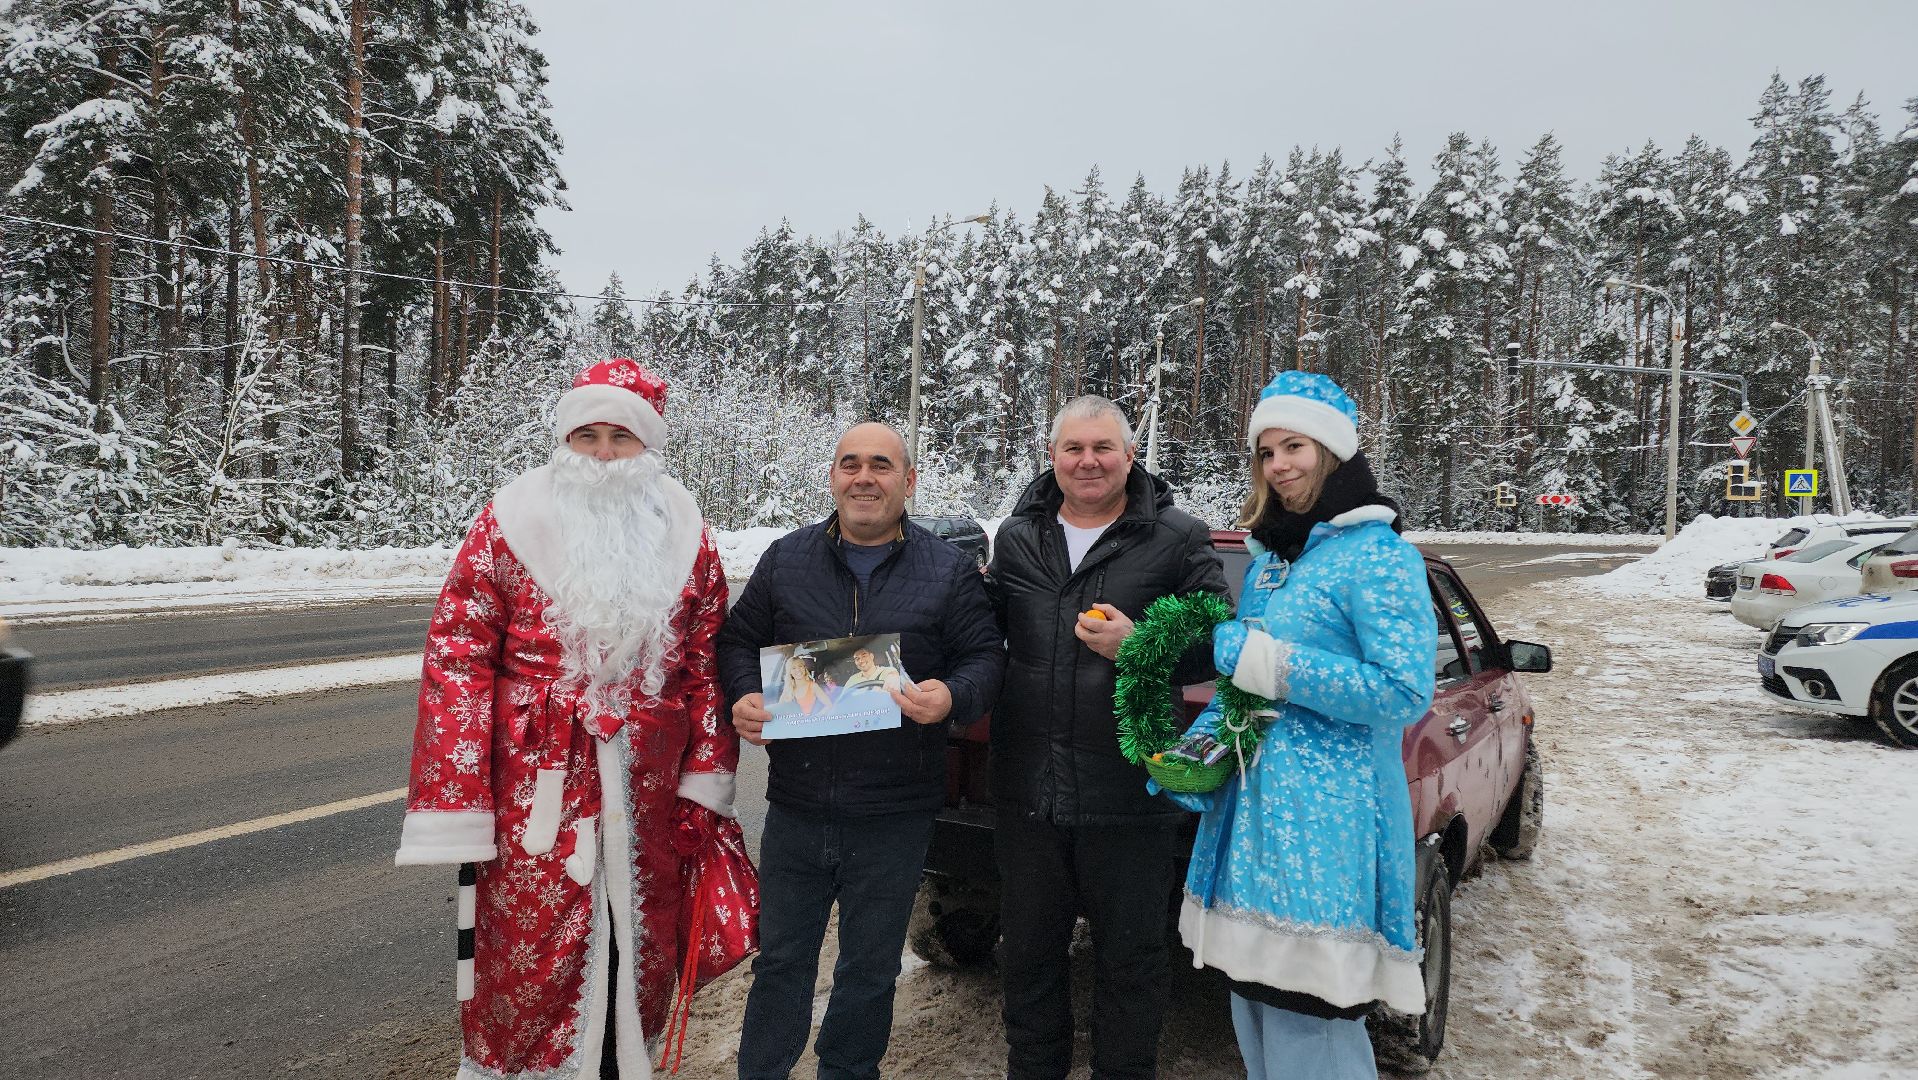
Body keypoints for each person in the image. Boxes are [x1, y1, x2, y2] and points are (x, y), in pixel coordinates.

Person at [396, 358, 740, 1079]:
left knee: (637, 953)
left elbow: (707, 664)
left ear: (649, 447)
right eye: (589, 435)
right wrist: (460, 802)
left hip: (647, 794)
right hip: (534, 795)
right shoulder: (507, 524)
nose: (606, 454)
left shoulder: (687, 534)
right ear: (565, 440)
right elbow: (458, 656)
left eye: (622, 436)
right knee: (530, 965)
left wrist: (705, 779)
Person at [1170, 371, 1437, 1080]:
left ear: (1334, 451)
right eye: (1266, 451)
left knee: (1310, 1036)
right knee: (1256, 1021)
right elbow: (1249, 695)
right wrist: (1200, 755)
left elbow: (1404, 691)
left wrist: (1268, 661)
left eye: (1295, 446)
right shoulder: (1270, 564)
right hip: (1251, 833)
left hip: (1325, 841)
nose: (1279, 464)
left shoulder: (1381, 556)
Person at [718, 422, 1005, 1080]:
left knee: (868, 973)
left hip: (895, 816)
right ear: (833, 477)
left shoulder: (947, 570)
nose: (864, 477)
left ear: (908, 481)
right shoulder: (786, 559)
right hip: (797, 810)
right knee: (781, 965)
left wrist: (952, 697)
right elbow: (737, 642)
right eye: (851, 464)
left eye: (881, 464)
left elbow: (986, 658)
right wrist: (743, 694)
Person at [984, 395, 1227, 1080]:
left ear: (1129, 455)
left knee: (1132, 968)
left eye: (1103, 448)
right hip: (1030, 793)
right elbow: (979, 634)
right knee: (1028, 961)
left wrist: (1143, 643)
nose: (1088, 461)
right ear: (1053, 456)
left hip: (1129, 796)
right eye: (1073, 448)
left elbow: (1220, 641)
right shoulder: (1019, 535)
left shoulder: (1177, 537)